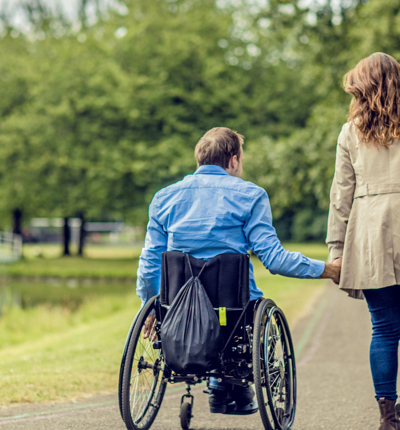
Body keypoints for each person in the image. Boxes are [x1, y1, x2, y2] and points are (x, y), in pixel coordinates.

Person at [138, 126, 341, 414]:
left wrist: (151, 307)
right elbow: (274, 258)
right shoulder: (250, 195)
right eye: (241, 160)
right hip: (233, 309)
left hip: (177, 308)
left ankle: (222, 387)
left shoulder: (163, 198)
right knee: (244, 311)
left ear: (199, 160)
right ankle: (227, 386)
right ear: (233, 161)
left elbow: (149, 264)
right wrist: (328, 270)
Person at [326, 52, 400, 430]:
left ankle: (388, 418)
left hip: (371, 233)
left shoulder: (349, 131)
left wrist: (336, 251)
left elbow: (342, 195)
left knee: (385, 328)